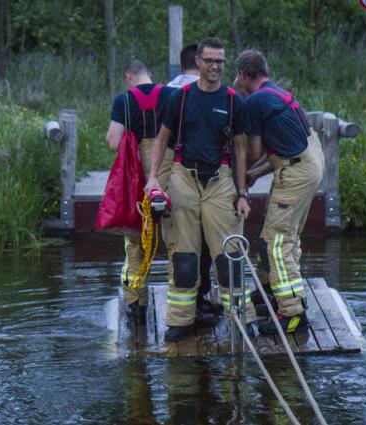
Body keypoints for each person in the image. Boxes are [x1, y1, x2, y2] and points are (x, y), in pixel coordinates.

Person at [145, 37, 256, 342]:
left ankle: (243, 319)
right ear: (198, 62)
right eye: (209, 60)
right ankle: (181, 320)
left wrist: (242, 193)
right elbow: (161, 139)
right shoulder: (179, 98)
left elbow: (240, 149)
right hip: (183, 177)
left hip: (220, 181)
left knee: (228, 255)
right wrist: (153, 178)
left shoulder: (233, 100)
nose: (215, 67)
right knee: (184, 256)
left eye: (220, 61)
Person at [235, 49, 325, 334]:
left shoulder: (255, 101)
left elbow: (255, 151)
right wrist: (251, 176)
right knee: (276, 234)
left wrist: (237, 177)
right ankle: (268, 293)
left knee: (276, 241)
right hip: (307, 162)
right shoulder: (274, 93)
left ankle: (293, 312)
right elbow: (276, 155)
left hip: (297, 170)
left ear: (243, 75)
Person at [105, 59, 177, 323]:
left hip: (137, 173)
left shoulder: (123, 101)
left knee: (135, 241)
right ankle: (180, 311)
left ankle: (137, 307)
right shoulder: (172, 95)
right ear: (150, 74)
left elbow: (114, 141)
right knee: (176, 239)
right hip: (169, 169)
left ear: (128, 77)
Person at [166, 44, 221, 318]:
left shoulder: (168, 92)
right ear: (198, 62)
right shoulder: (210, 95)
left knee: (182, 247)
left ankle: (182, 312)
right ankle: (202, 299)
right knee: (212, 245)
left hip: (174, 178)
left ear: (180, 63)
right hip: (211, 178)